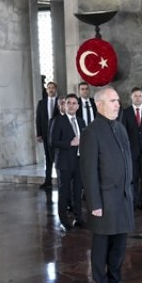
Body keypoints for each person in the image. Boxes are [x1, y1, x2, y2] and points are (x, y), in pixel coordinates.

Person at [81, 87, 137, 283]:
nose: (117, 104)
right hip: (103, 200)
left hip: (122, 197)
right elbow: (89, 170)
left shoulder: (120, 128)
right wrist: (94, 203)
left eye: (117, 100)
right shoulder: (91, 132)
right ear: (99, 104)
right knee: (102, 246)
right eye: (112, 100)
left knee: (119, 246)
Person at [50, 94, 85, 229]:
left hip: (78, 161)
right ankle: (64, 220)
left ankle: (79, 217)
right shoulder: (58, 121)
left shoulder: (81, 121)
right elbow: (53, 142)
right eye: (68, 103)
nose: (71, 105)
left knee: (77, 191)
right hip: (64, 162)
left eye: (74, 103)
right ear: (64, 105)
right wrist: (69, 143)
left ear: (78, 106)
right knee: (64, 192)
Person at [120, 86, 142, 211]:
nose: (138, 98)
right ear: (131, 97)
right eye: (135, 96)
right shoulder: (126, 112)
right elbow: (123, 133)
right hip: (131, 151)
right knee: (133, 178)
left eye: (140, 95)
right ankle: (134, 202)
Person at [35, 81, 59, 191]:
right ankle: (47, 181)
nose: (51, 90)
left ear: (56, 89)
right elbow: (38, 119)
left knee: (58, 158)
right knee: (48, 158)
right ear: (46, 90)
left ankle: (61, 180)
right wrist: (39, 134)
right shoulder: (42, 103)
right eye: (49, 88)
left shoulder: (60, 102)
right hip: (46, 134)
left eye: (53, 88)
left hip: (58, 135)